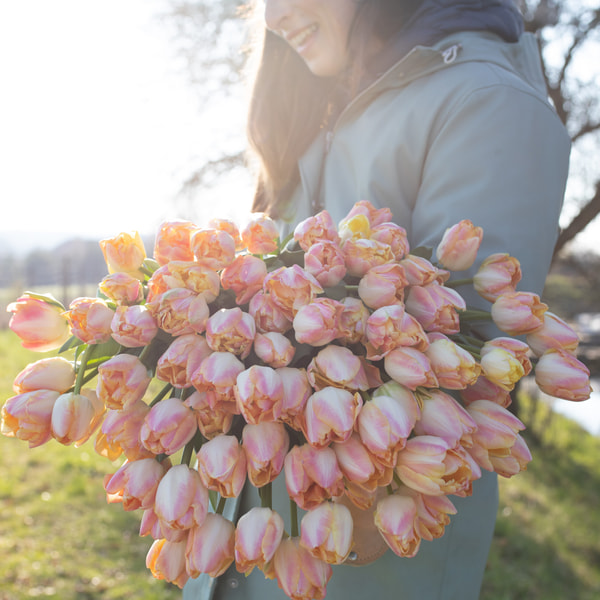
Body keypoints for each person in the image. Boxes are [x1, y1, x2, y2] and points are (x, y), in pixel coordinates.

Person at [183, 0, 570, 598]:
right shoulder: (322, 104)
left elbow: (466, 362)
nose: (274, 15)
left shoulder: (487, 103)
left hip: (362, 558)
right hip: (244, 527)